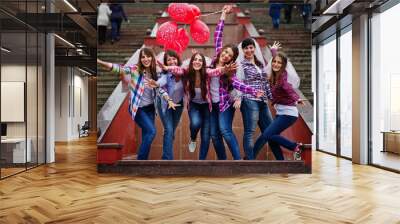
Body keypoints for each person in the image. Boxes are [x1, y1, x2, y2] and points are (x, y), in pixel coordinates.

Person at [97, 48, 178, 160]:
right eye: (143, 57)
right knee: (151, 132)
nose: (146, 59)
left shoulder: (155, 73)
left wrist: (168, 99)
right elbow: (119, 69)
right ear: (140, 59)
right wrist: (100, 62)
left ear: (152, 58)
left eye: (148, 56)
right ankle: (140, 160)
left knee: (147, 134)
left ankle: (143, 162)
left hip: (150, 109)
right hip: (138, 108)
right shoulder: (135, 70)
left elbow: (159, 88)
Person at [210, 5, 264, 160]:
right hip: (212, 104)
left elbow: (239, 84)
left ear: (232, 59)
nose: (226, 55)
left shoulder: (230, 70)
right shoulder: (213, 62)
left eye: (230, 55)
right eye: (226, 52)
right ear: (221, 51)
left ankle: (238, 160)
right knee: (214, 134)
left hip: (225, 104)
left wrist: (253, 91)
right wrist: (222, 16)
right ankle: (223, 162)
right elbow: (218, 36)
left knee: (225, 130)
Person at [252, 50, 305, 160]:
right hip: (281, 113)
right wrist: (273, 51)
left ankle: (294, 146)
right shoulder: (273, 77)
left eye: (279, 63)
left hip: (289, 114)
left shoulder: (282, 78)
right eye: (274, 61)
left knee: (267, 135)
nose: (276, 64)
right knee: (271, 137)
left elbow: (288, 89)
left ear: (284, 65)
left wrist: (297, 98)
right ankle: (281, 161)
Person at [235, 38, 279, 160]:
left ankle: (252, 157)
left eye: (251, 47)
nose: (249, 50)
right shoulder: (241, 65)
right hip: (249, 100)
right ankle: (250, 161)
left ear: (255, 48)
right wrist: (238, 96)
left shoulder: (260, 64)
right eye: (246, 48)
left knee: (271, 131)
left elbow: (265, 83)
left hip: (263, 102)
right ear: (242, 50)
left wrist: (272, 100)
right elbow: (238, 82)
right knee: (250, 131)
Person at [146, 50, 185, 160]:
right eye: (169, 60)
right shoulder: (165, 75)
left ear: (178, 59)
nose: (172, 61)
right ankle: (167, 159)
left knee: (171, 131)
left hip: (178, 104)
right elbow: (160, 82)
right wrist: (155, 83)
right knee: (169, 129)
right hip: (164, 103)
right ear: (165, 63)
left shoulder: (183, 72)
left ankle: (166, 154)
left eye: (174, 58)